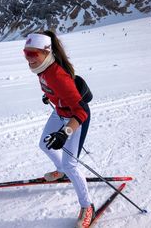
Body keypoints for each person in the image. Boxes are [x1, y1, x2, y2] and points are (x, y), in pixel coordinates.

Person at [23, 31, 94, 228]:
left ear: (47, 53)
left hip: (75, 118)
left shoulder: (59, 76)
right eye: (26, 54)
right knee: (44, 144)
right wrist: (51, 96)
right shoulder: (42, 70)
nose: (29, 59)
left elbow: (81, 111)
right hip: (60, 112)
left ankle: (87, 206)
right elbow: (54, 89)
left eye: (33, 54)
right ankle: (61, 171)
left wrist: (65, 133)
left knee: (72, 164)